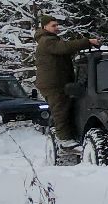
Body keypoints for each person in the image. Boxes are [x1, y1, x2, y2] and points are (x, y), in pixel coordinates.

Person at [33, 15, 99, 162]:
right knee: (60, 109)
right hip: (53, 83)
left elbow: (64, 51)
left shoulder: (50, 40)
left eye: (57, 25)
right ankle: (65, 142)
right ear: (45, 27)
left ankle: (67, 137)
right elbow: (64, 48)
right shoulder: (47, 41)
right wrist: (87, 42)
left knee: (65, 109)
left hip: (58, 82)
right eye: (53, 25)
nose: (57, 28)